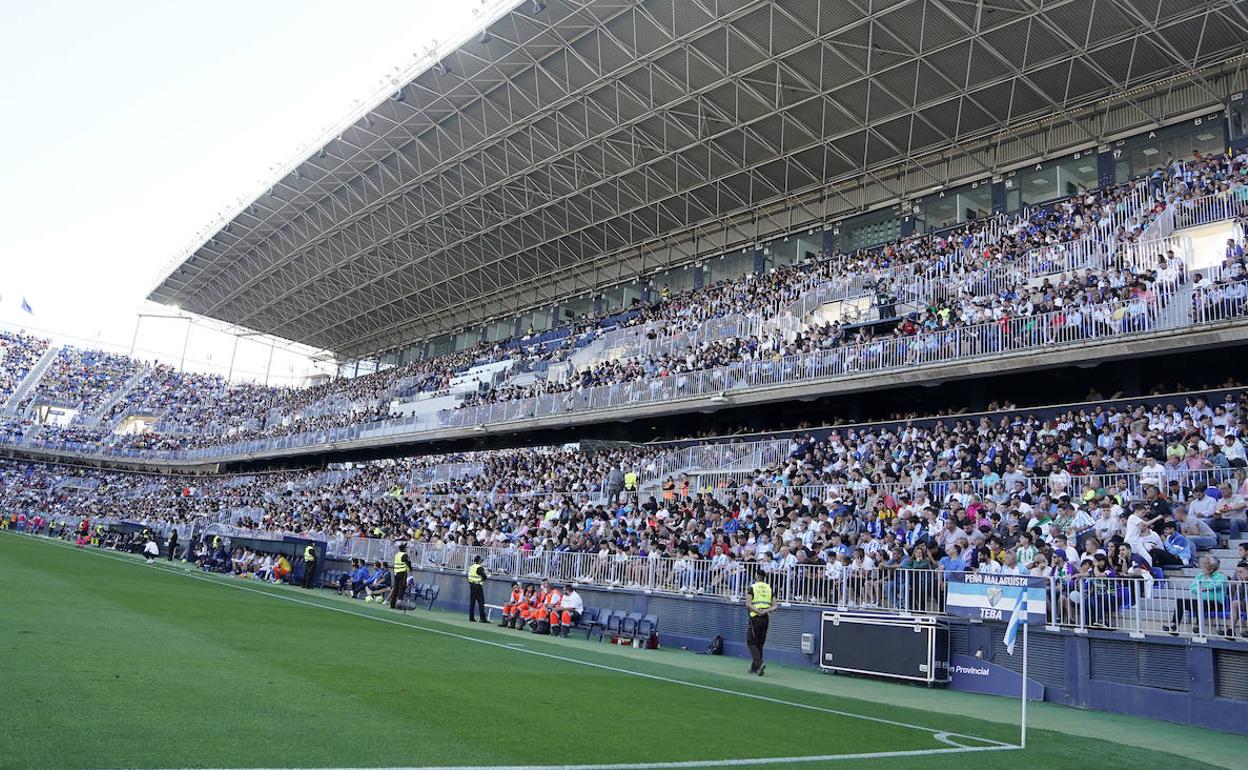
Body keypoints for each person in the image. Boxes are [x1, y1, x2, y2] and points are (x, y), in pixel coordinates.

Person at [746, 571, 776, 676]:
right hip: (765, 618)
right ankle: (755, 668)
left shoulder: (752, 587)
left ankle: (759, 663)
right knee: (760, 643)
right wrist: (766, 610)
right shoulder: (769, 588)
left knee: (751, 642)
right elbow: (775, 606)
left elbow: (748, 604)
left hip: (755, 617)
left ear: (756, 576)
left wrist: (757, 611)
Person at [389, 543, 411, 609]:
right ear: (404, 549)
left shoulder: (397, 554)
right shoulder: (404, 555)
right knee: (401, 589)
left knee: (396, 588)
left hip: (396, 573)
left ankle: (392, 604)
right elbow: (408, 563)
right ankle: (399, 605)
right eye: (406, 548)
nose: (407, 549)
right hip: (402, 573)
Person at [467, 554, 487, 622]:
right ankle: (482, 618)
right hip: (478, 586)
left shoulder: (471, 567)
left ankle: (471, 617)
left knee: (472, 602)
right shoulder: (479, 567)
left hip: (471, 585)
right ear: (479, 560)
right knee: (481, 602)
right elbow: (484, 577)